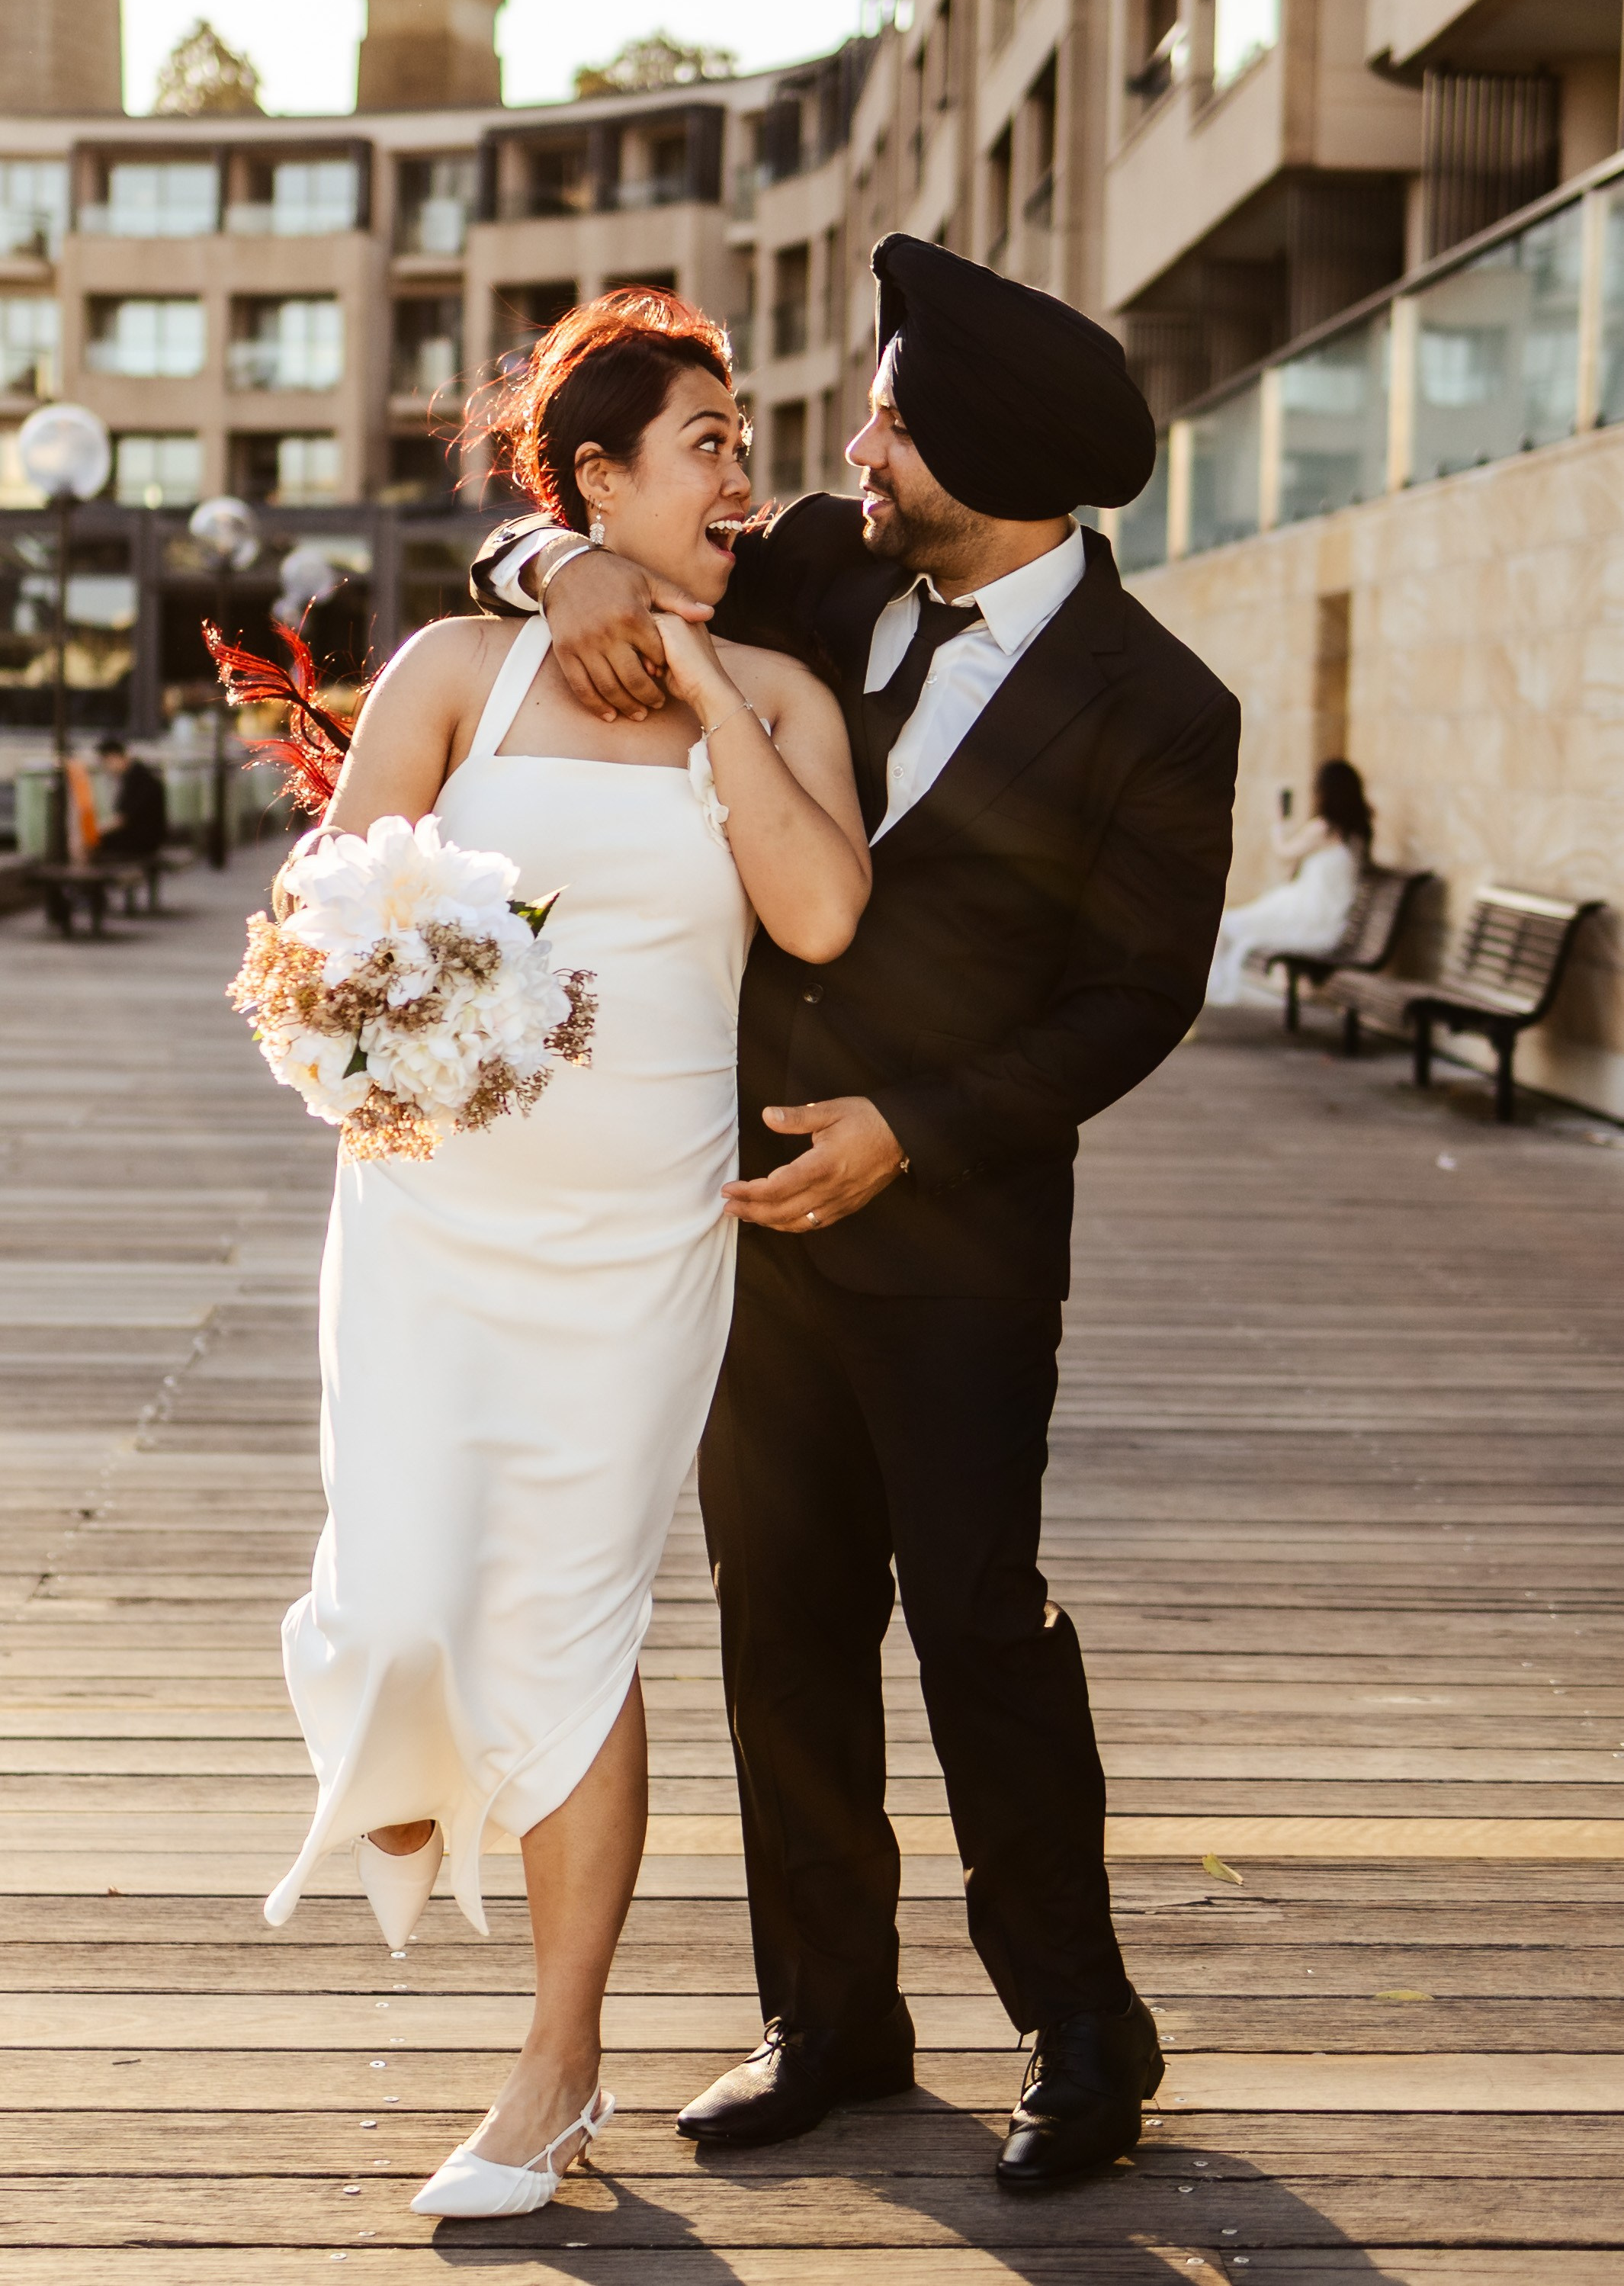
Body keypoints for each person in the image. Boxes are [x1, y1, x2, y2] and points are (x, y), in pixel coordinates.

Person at [469, 235, 1241, 2190]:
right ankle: (829, 2014)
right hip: (730, 1211)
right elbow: (558, 540)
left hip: (959, 1240)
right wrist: (551, 563)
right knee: (777, 1623)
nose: (851, 443)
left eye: (891, 416)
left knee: (978, 1624)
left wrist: (912, 1123)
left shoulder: (1161, 702)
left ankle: (1083, 2029)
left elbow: (1129, 999)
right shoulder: (820, 561)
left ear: (979, 455)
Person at [261, 289, 871, 2220]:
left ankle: (557, 2059)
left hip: (638, 1242)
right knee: (413, 1598)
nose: (743, 474)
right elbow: (321, 925)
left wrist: (704, 689)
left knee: (574, 1623)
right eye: (704, 439)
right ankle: (421, 1759)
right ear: (594, 482)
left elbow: (821, 914)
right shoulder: (456, 666)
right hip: (436, 1214)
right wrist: (393, 1016)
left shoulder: (777, 697)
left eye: (746, 443)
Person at [1205, 757, 1373, 1004]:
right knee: (1228, 925)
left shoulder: (1323, 829)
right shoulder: (1359, 834)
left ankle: (1214, 990)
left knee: (1224, 925)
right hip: (1323, 918)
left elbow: (1284, 852)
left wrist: (1278, 823)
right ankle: (1216, 988)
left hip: (1305, 916)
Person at [93, 736, 167, 861]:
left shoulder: (137, 779)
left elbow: (123, 819)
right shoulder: (139, 774)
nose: (106, 769)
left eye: (105, 763)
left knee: (95, 845)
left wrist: (95, 830)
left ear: (113, 757)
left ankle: (93, 879)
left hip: (144, 841)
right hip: (149, 837)